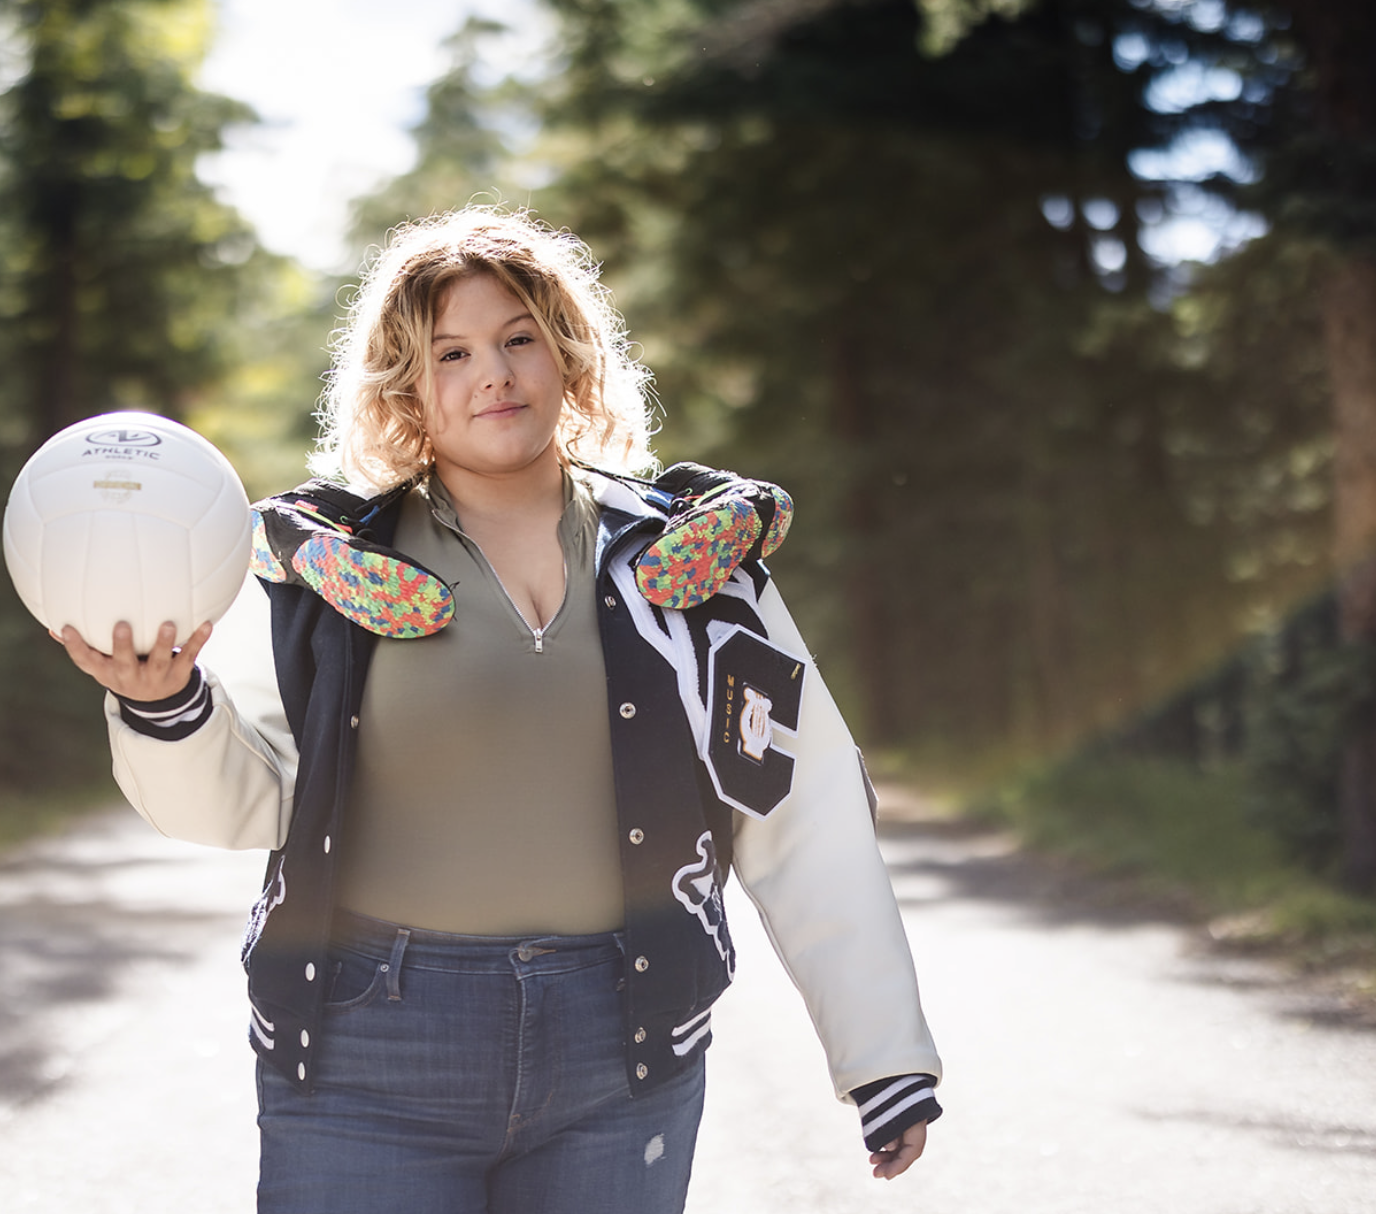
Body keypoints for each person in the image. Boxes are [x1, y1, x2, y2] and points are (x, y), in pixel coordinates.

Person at [54, 208, 942, 1214]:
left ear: (565, 355)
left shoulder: (690, 564)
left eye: (519, 337)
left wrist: (880, 1055)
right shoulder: (328, 573)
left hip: (623, 1052)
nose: (495, 372)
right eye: (453, 351)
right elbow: (246, 801)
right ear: (406, 385)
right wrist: (162, 702)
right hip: (364, 1049)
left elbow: (803, 803)